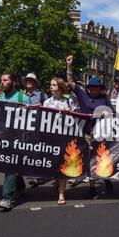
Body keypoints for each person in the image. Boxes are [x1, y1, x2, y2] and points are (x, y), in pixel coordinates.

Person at [66, 55, 114, 198]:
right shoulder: (82, 94)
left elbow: (112, 113)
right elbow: (70, 83)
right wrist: (69, 66)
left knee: (102, 158)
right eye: (92, 87)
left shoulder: (104, 98)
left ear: (100, 88)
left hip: (101, 133)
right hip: (85, 132)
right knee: (88, 160)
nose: (94, 89)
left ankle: (106, 178)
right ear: (88, 88)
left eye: (97, 87)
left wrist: (106, 113)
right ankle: (92, 188)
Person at [0, 73, 31, 211]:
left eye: (5, 80)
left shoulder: (23, 98)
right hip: (3, 138)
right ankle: (20, 187)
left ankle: (7, 198)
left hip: (18, 138)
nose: (2, 82)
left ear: (14, 82)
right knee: (10, 165)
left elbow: (32, 118)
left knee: (11, 164)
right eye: (1, 80)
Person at [43, 77, 71, 205]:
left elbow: (74, 118)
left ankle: (61, 193)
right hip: (51, 137)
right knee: (54, 164)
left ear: (60, 87)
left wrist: (69, 113)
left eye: (54, 85)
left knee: (62, 165)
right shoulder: (47, 102)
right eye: (51, 84)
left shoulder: (68, 102)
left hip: (64, 137)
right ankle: (55, 182)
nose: (51, 87)